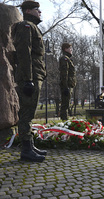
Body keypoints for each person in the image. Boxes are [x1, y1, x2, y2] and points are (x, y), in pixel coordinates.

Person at [13, 0, 46, 162]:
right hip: (30, 76)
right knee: (26, 114)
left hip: (35, 75)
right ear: (27, 10)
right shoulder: (25, 26)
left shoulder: (32, 27)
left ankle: (30, 145)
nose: (40, 12)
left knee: (30, 113)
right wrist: (27, 80)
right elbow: (23, 53)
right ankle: (26, 150)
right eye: (36, 10)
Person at [59, 42, 76, 120]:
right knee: (65, 104)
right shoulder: (64, 59)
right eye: (70, 48)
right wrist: (65, 86)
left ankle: (65, 119)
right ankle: (64, 120)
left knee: (66, 104)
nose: (71, 50)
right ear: (65, 49)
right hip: (67, 85)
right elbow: (64, 73)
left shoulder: (68, 59)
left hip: (69, 84)